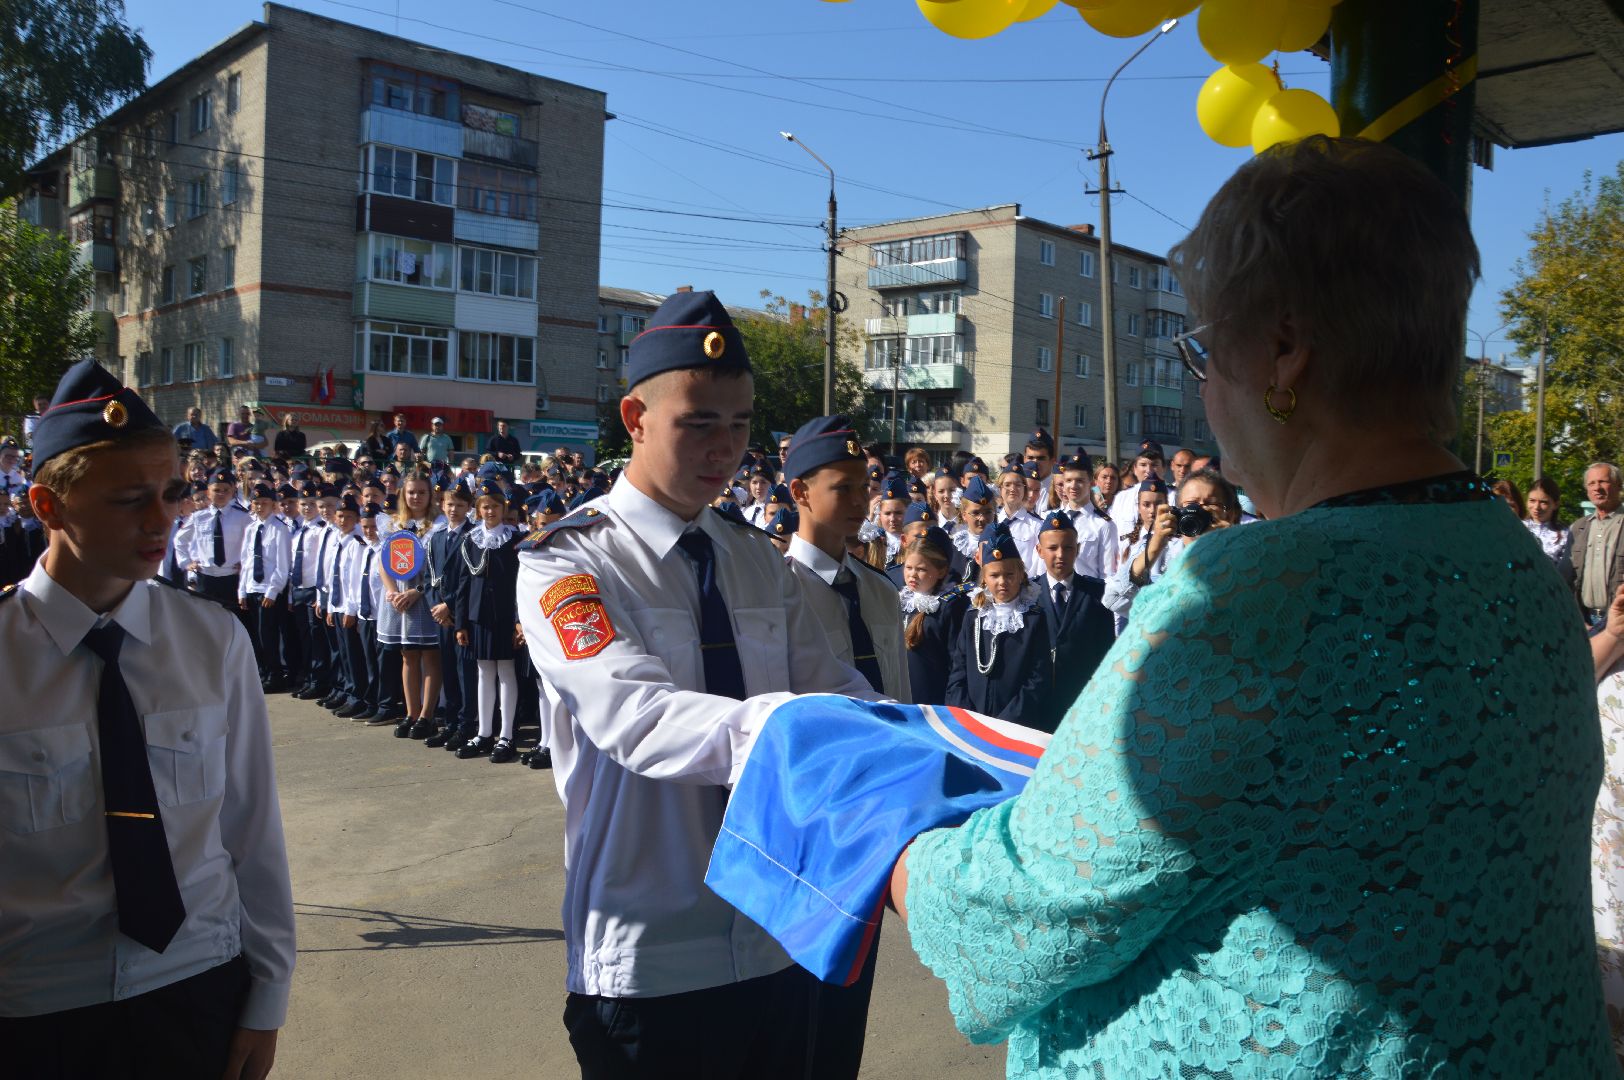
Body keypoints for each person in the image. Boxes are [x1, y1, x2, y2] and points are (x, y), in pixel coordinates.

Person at [888, 134, 1618, 1077]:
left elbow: (1031, 914)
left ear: (1281, 353)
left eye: (1203, 350)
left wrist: (891, 855)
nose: (1204, 395)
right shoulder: (1520, 567)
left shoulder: (1252, 596)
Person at [514, 290, 885, 1079]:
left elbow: (840, 688)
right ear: (635, 417)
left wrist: (910, 747)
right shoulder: (569, 561)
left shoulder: (755, 557)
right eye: (699, 423)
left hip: (777, 937)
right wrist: (798, 728)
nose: (725, 448)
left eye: (741, 425)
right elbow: (636, 715)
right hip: (651, 956)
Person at [0, 359, 293, 1079]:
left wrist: (267, 996)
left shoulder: (211, 639)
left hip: (197, 986)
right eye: (130, 499)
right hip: (38, 1008)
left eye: (171, 492)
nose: (162, 520)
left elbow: (251, 831)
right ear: (48, 506)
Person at [786, 415, 912, 705]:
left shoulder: (880, 589)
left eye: (864, 486)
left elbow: (901, 693)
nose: (859, 500)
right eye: (843, 488)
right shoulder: (782, 590)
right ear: (800, 493)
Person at [945, 522, 1052, 728]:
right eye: (994, 575)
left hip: (1016, 724)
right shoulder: (973, 618)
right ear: (984, 579)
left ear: (1021, 575)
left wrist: (1006, 723)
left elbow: (1037, 680)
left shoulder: (1033, 619)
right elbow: (958, 672)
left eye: (1009, 575)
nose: (1002, 581)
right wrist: (968, 718)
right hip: (973, 722)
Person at [452, 480, 524, 763]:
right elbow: (462, 583)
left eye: (494, 506)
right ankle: (484, 732)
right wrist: (460, 623)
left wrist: (520, 620)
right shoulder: (471, 539)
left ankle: (506, 735)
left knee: (506, 672)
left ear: (502, 507)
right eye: (484, 507)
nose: (489, 511)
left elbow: (522, 583)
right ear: (478, 510)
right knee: (483, 673)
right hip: (478, 616)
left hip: (505, 616)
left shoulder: (514, 539)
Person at [1031, 510, 1117, 730]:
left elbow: (1105, 651)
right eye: (1052, 548)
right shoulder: (1028, 594)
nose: (1060, 554)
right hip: (1038, 704)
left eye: (1068, 547)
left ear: (1077, 550)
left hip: (1081, 701)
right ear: (1039, 551)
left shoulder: (1096, 593)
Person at [377, 470, 441, 739]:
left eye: (421, 492)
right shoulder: (393, 524)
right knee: (408, 655)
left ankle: (427, 715)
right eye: (411, 492)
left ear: (430, 495)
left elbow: (443, 567)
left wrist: (418, 591)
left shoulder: (439, 525)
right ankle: (411, 713)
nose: (416, 497)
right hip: (399, 597)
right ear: (403, 494)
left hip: (425, 595)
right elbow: (382, 561)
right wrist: (392, 592)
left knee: (430, 655)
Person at [424, 482, 476, 750]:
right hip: (443, 617)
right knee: (449, 672)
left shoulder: (473, 536)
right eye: (449, 504)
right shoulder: (437, 537)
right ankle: (451, 723)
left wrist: (450, 606)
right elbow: (430, 578)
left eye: (459, 505)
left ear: (469, 508)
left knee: (465, 671)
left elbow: (469, 581)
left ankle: (467, 725)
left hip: (462, 616)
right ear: (442, 505)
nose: (453, 509)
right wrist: (437, 606)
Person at [237, 482, 293, 693]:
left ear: (273, 505)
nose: (260, 507)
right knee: (256, 636)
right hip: (252, 587)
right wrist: (242, 590)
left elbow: (282, 564)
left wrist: (273, 590)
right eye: (257, 503)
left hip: (269, 590)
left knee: (268, 635)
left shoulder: (279, 529)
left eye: (265, 503)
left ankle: (275, 674)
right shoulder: (251, 528)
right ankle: (263, 672)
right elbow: (247, 561)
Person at [898, 527, 963, 706]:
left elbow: (955, 663)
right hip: (902, 695)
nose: (912, 574)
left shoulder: (948, 606)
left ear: (941, 571)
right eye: (908, 567)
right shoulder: (903, 600)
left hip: (933, 700)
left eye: (921, 569)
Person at [186, 468, 251, 613]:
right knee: (207, 619)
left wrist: (246, 564)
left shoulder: (243, 517)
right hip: (206, 575)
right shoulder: (198, 517)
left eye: (226, 490)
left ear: (233, 491)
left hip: (231, 577)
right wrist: (187, 562)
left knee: (234, 617)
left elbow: (254, 543)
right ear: (208, 492)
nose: (221, 494)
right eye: (216, 490)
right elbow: (180, 540)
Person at [1569, 462, 1624, 628]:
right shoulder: (1578, 528)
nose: (1597, 488)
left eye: (1603, 482)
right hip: (1586, 621)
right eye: (1591, 483)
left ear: (1619, 486)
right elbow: (1567, 577)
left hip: (1619, 621)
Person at [1525, 476, 1568, 563]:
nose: (1536, 507)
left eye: (1543, 502)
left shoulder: (1566, 535)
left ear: (1556, 504)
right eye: (1532, 501)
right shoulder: (1516, 528)